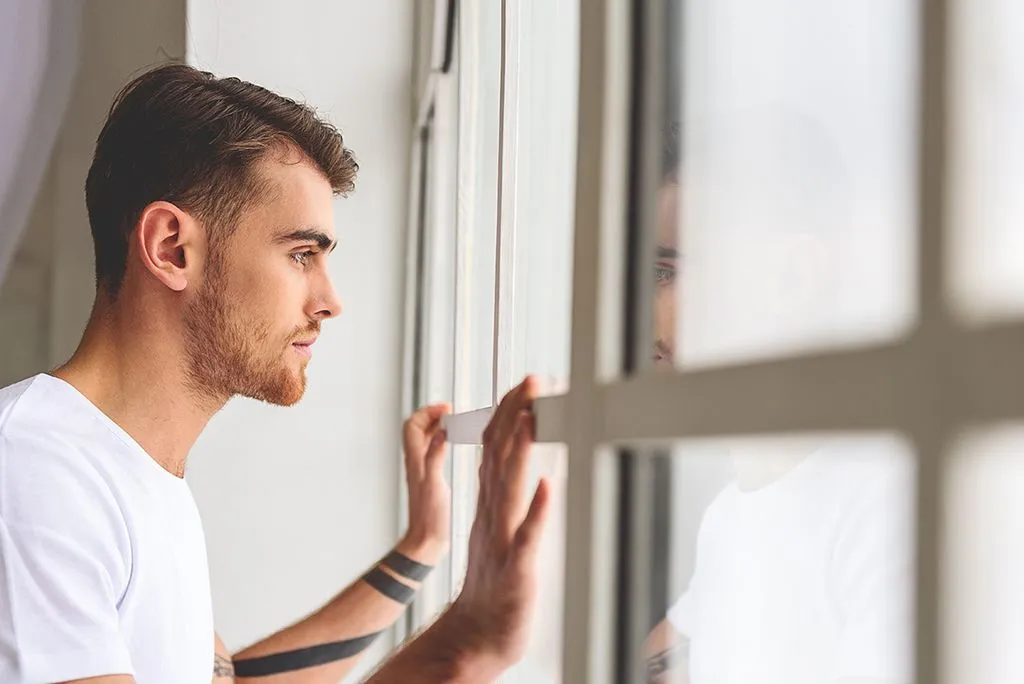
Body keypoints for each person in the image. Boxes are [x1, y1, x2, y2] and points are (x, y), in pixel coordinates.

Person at [0, 63, 551, 683]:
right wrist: (465, 645)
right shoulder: (35, 474)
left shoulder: (130, 477)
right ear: (170, 249)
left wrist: (422, 550)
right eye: (300, 254)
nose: (330, 300)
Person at [643, 123, 915, 684]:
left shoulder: (885, 504)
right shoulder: (736, 510)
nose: (642, 312)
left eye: (668, 270)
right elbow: (652, 663)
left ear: (793, 277)